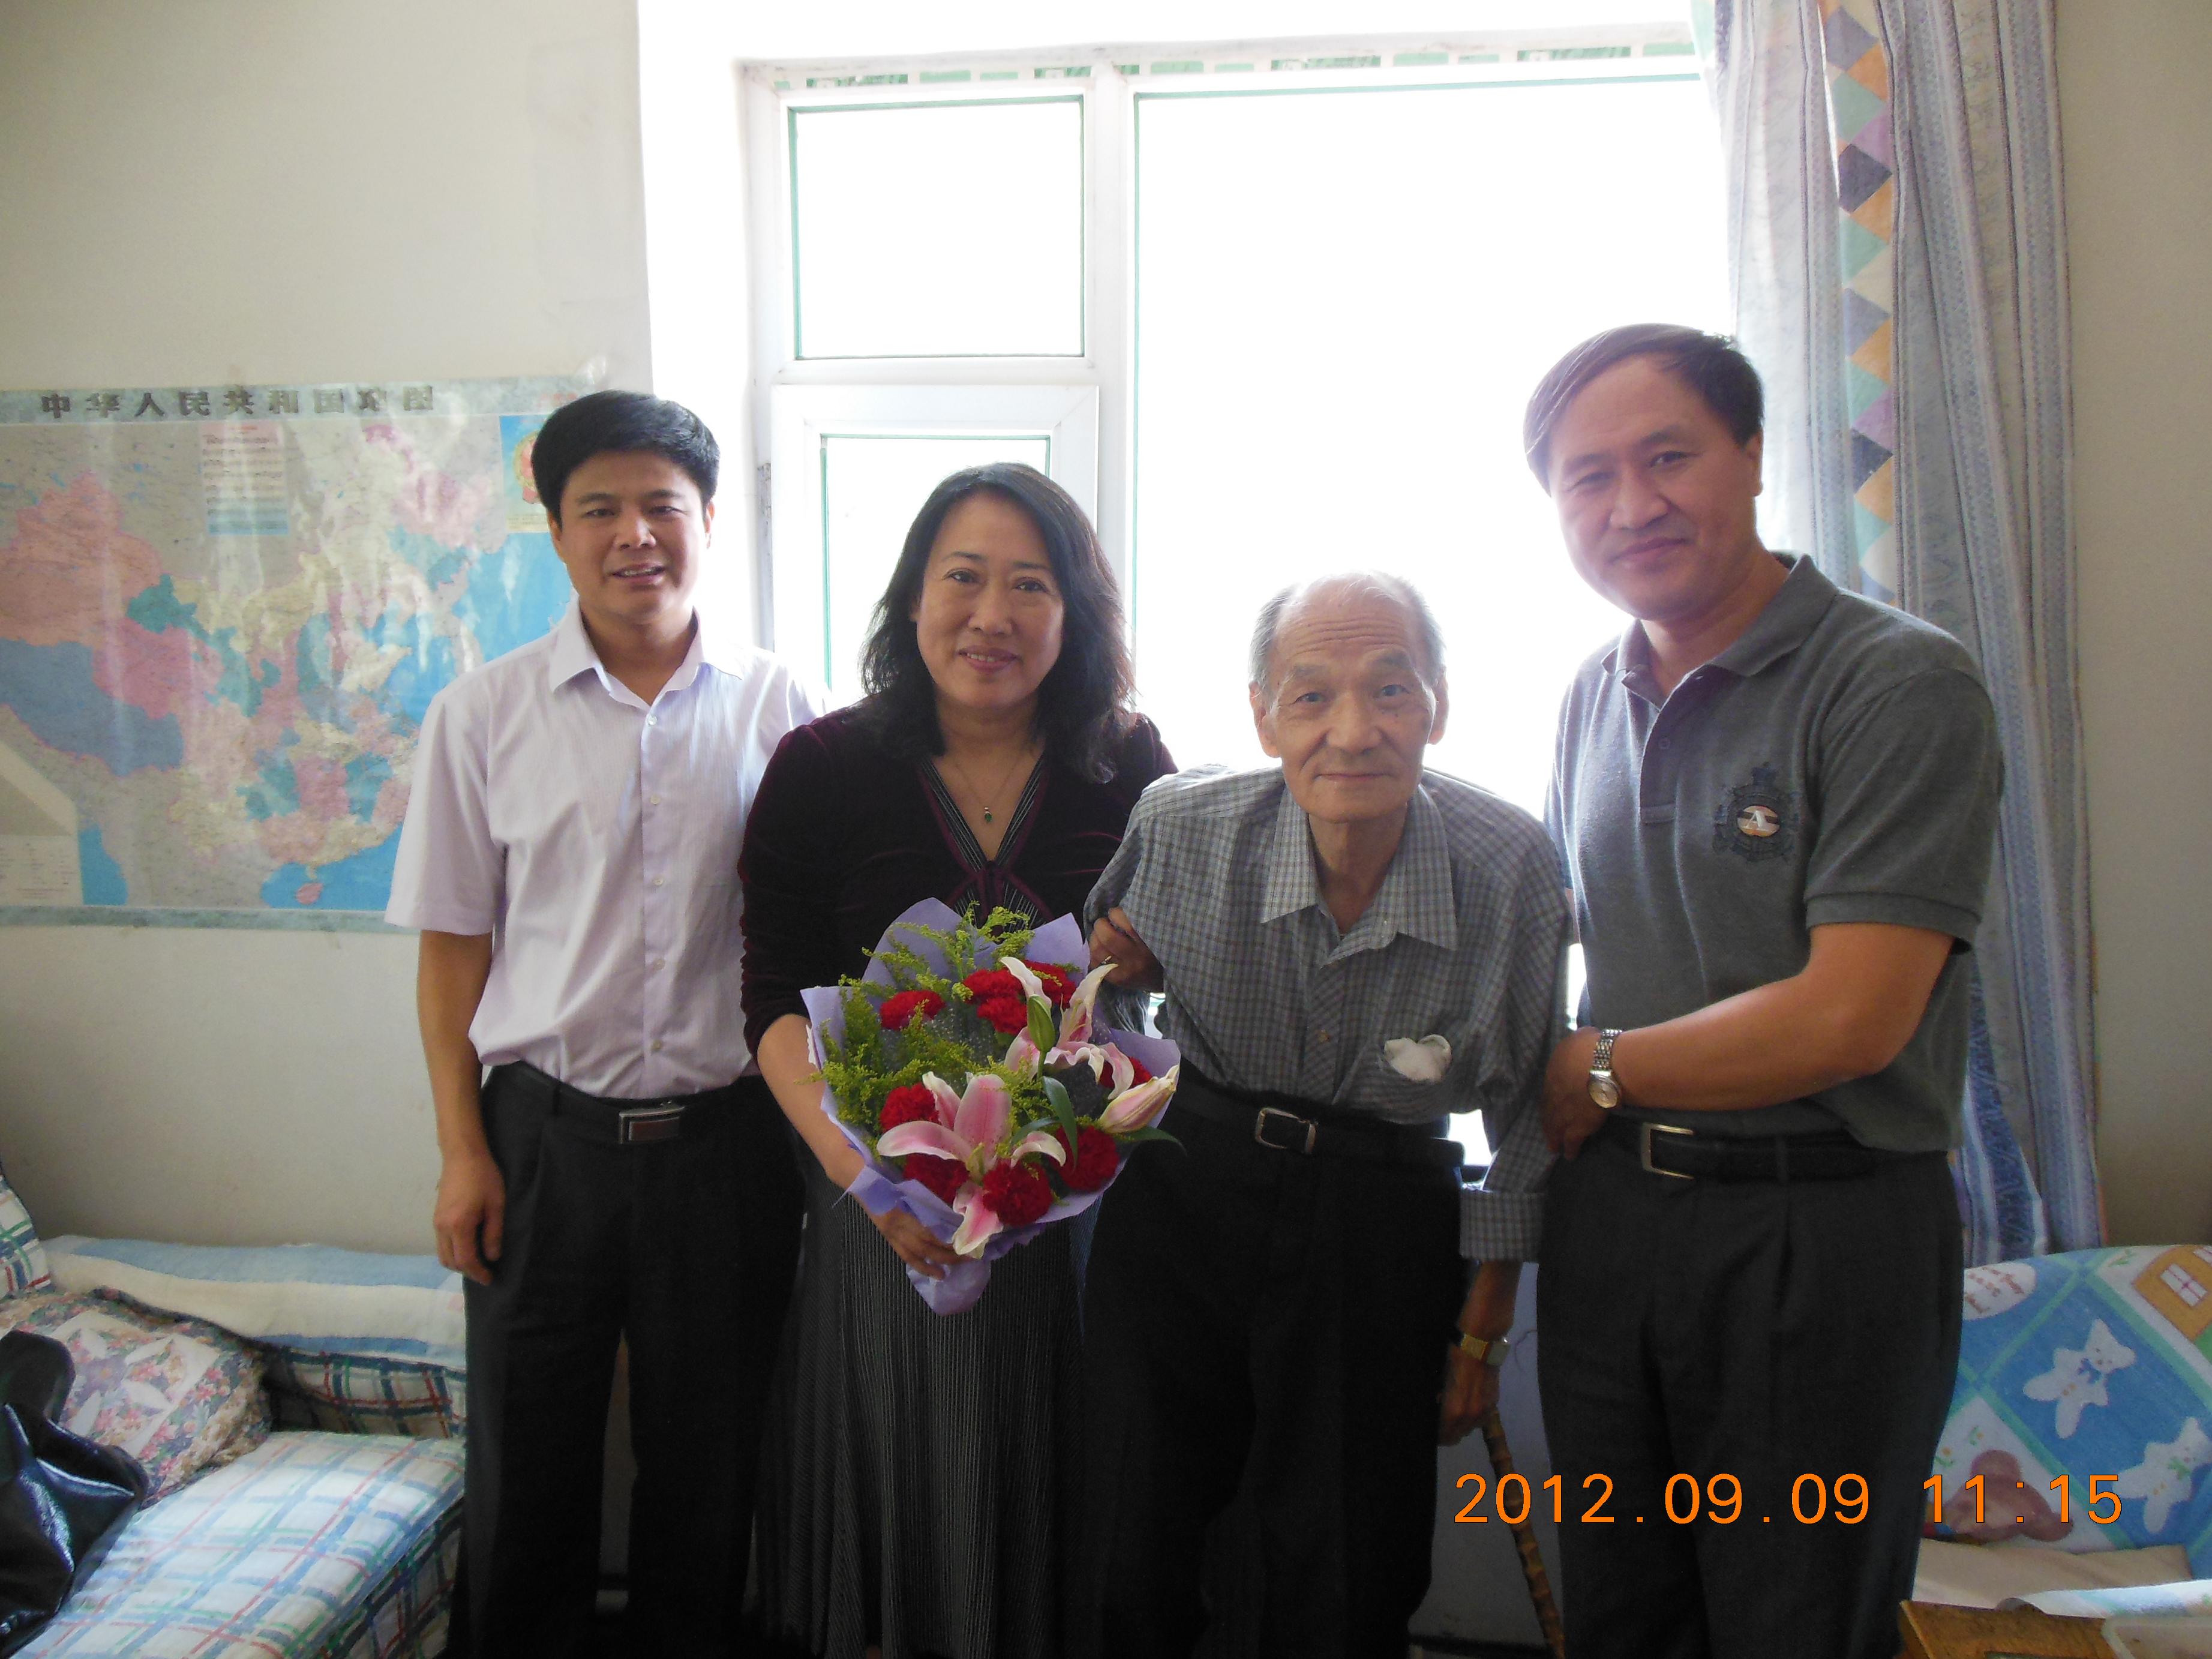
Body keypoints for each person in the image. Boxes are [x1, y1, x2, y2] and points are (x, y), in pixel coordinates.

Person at [1525, 325, 2004, 1659]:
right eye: (1586, 477)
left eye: (1667, 457)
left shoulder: (1894, 680)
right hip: (1616, 1224)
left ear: (1749, 455)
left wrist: (1594, 1066)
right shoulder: (1591, 692)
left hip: (1818, 1230)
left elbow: (1851, 1016)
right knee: (1623, 1615)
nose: (1631, 505)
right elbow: (1556, 934)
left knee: (1794, 1623)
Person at [386, 390, 820, 1656]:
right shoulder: (482, 714)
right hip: (542, 1142)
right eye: (601, 509)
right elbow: (452, 951)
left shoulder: (780, 707)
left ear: (708, 521)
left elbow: (814, 938)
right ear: (557, 530)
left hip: (727, 1146)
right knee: (527, 1459)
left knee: (709, 1461)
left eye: (661, 507)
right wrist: (461, 1151)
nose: (635, 535)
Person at [1075, 574, 1568, 1659]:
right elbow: (1094, 999)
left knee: (1347, 1563)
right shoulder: (1184, 823)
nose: (1352, 731)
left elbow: (1532, 1108)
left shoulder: (1512, 865)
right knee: (1130, 1531)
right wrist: (1120, 976)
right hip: (1187, 1184)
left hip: (1380, 1217)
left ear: (1439, 703)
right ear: (1263, 716)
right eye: (1311, 696)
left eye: (1391, 689)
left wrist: (1481, 1329)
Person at [737, 463, 1173, 1659]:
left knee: (1059, 1484)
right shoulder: (821, 766)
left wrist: (1146, 954)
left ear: (1073, 612)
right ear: (912, 597)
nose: (992, 615)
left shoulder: (1128, 762)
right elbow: (772, 1000)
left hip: (1071, 1206)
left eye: (1030, 585)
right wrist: (869, 1182)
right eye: (963, 578)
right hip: (882, 1202)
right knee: (901, 1475)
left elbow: (1172, 965)